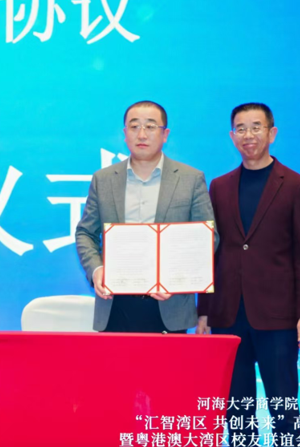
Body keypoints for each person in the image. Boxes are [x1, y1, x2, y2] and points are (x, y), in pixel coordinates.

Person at [197, 103, 300, 445]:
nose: (248, 135)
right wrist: (204, 311)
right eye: (241, 128)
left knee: (283, 405)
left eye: (256, 127)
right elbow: (210, 253)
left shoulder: (296, 185)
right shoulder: (219, 186)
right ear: (231, 136)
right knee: (236, 407)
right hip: (227, 313)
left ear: (272, 133)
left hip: (277, 315)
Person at [75, 100, 217, 333]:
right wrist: (96, 269)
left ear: (165, 134)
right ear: (125, 134)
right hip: (115, 303)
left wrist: (176, 277)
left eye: (150, 126)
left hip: (169, 304)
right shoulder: (103, 179)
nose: (142, 134)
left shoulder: (191, 179)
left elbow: (208, 238)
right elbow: (85, 233)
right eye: (134, 126)